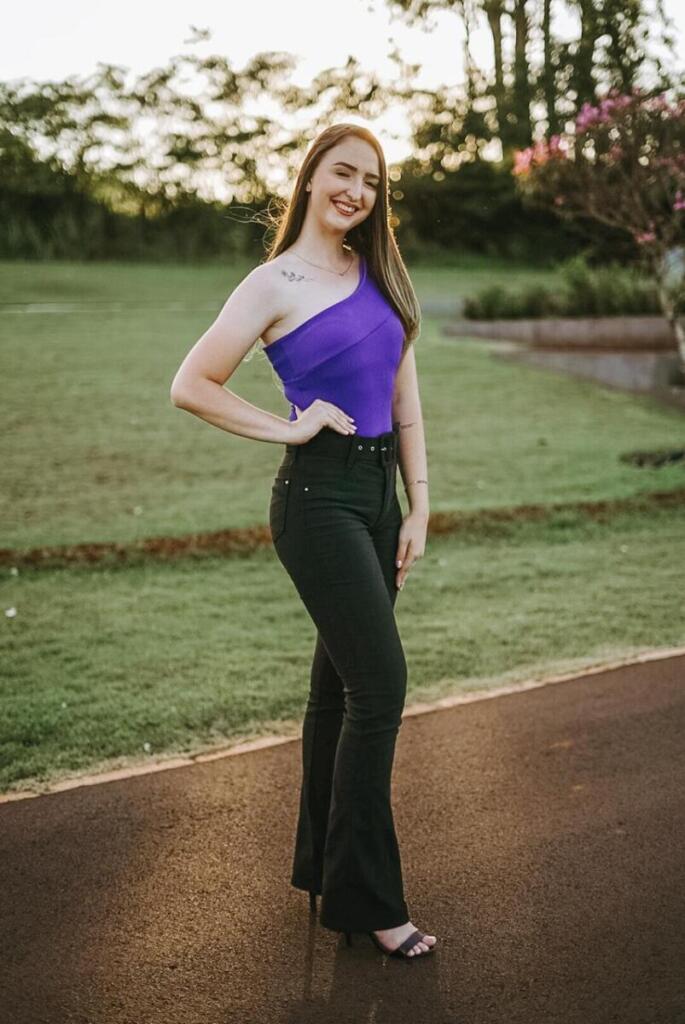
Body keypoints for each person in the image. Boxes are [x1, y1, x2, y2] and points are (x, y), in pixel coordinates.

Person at [169, 122, 436, 960]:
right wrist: (288, 427)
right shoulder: (272, 282)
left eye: (371, 180)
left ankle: (324, 870)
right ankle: (369, 900)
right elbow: (191, 385)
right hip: (317, 500)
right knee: (379, 688)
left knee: (338, 691)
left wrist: (419, 506)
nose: (356, 191)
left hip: (379, 498)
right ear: (312, 176)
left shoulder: (379, 273)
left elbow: (404, 401)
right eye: (342, 173)